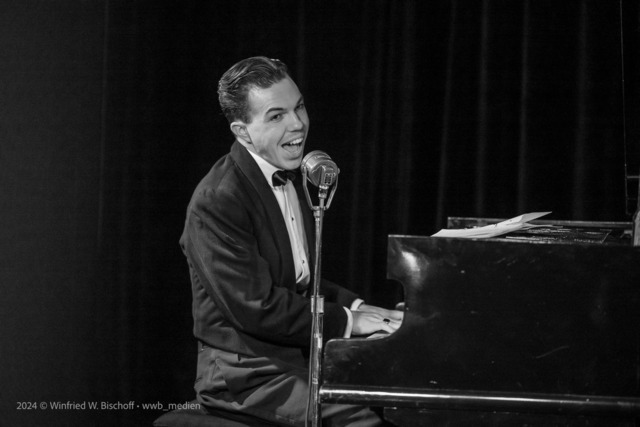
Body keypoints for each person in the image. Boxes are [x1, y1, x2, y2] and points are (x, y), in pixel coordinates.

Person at [179, 56, 403, 427]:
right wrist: (349, 320)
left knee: (396, 397)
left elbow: (299, 280)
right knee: (362, 422)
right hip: (244, 375)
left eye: (298, 107)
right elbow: (258, 307)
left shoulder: (289, 174)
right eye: (276, 116)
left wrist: (364, 308)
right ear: (242, 132)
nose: (297, 123)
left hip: (295, 356)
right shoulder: (218, 200)